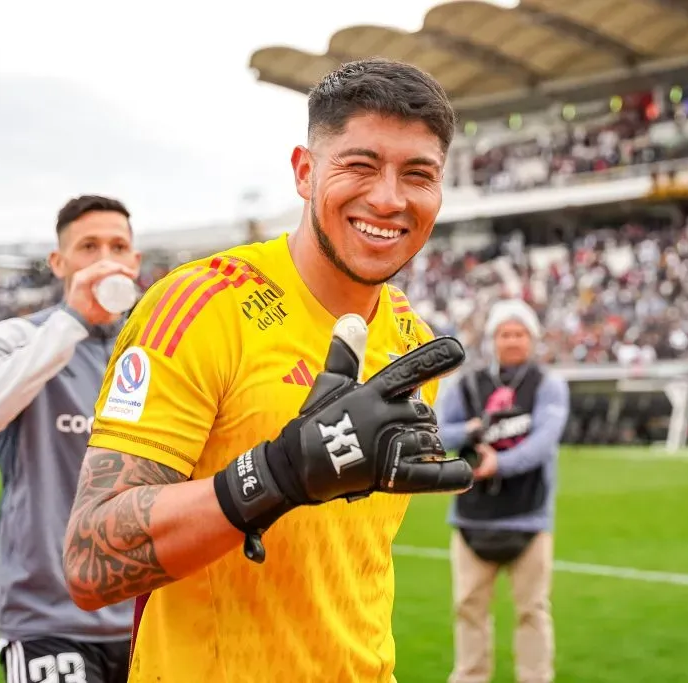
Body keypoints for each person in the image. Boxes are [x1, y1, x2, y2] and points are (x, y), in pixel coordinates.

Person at [62, 57, 473, 683]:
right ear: (305, 172)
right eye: (359, 165)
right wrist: (276, 475)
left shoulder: (412, 341)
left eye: (418, 175)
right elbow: (91, 560)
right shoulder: (200, 305)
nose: (389, 198)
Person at [0, 195, 142, 683]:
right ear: (59, 262)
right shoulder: (17, 337)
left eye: (118, 246)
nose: (105, 259)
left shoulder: (151, 351)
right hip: (49, 619)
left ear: (135, 263)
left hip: (146, 615)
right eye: (88, 246)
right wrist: (71, 322)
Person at [437, 300, 570, 683]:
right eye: (504, 333)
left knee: (532, 609)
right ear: (493, 339)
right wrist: (471, 429)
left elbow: (544, 441)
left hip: (529, 515)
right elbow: (439, 432)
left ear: (532, 338)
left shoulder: (548, 384)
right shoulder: (466, 383)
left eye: (519, 333)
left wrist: (500, 464)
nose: (511, 340)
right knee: (468, 607)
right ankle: (469, 677)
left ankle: (535, 677)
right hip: (470, 516)